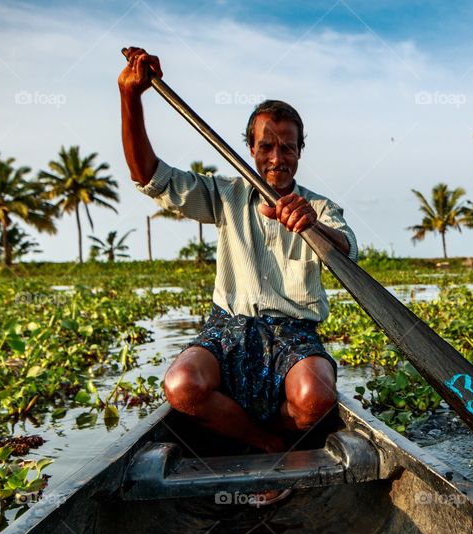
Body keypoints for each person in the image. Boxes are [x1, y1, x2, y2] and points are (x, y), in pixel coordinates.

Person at [118, 49, 358, 488]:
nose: (276, 158)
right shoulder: (225, 194)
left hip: (294, 332)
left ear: (300, 152)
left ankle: (282, 440)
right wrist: (130, 96)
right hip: (229, 327)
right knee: (181, 386)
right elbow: (148, 174)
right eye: (266, 146)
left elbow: (346, 247)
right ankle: (267, 445)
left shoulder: (319, 206)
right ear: (250, 148)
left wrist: (314, 225)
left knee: (315, 398)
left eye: (287, 147)